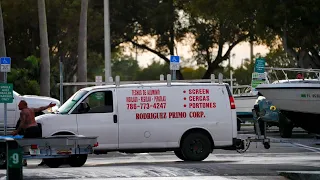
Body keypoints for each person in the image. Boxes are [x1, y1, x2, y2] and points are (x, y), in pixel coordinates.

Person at [12, 100, 56, 166]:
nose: (18, 106)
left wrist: (16, 131)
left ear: (24, 105)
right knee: (37, 144)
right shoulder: (31, 109)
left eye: (19, 105)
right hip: (36, 128)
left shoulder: (23, 112)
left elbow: (22, 123)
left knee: (22, 144)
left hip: (30, 130)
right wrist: (48, 106)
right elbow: (40, 108)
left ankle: (24, 160)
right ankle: (43, 159)